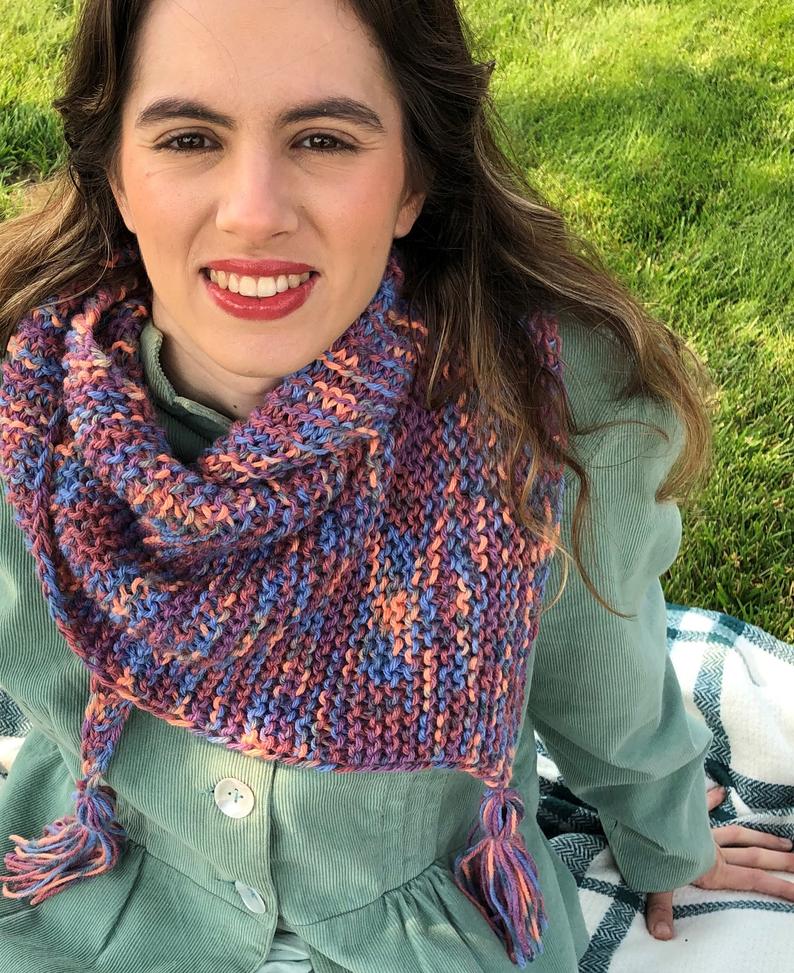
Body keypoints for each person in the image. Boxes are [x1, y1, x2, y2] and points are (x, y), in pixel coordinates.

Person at [0, 1, 791, 971]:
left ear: (412, 179)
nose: (254, 208)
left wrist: (666, 833)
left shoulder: (544, 405)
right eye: (190, 135)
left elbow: (602, 660)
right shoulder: (22, 410)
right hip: (79, 897)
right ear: (117, 172)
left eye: (323, 137)